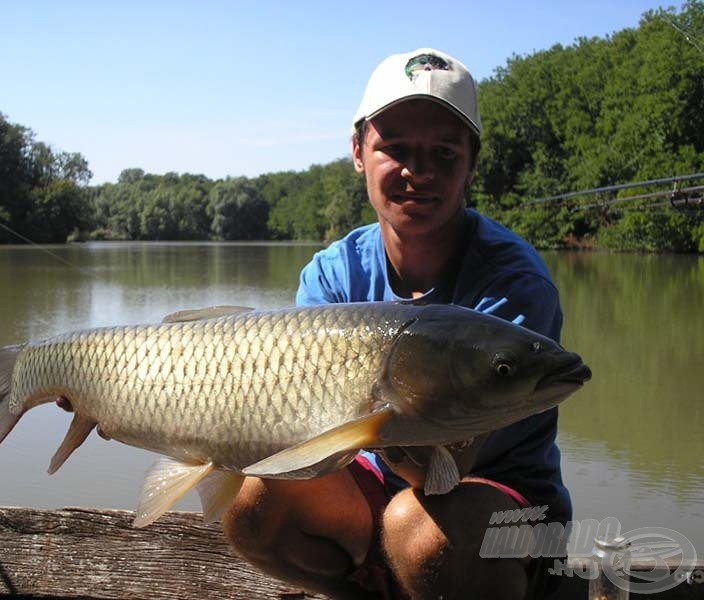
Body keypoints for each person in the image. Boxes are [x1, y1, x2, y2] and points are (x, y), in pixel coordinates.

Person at [222, 48, 569, 599]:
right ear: (359, 152)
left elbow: (443, 468)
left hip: (505, 505)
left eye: (444, 154)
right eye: (396, 149)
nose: (419, 172)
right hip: (371, 487)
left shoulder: (515, 282)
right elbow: (304, 432)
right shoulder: (333, 275)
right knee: (255, 503)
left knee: (419, 532)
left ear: (471, 163)